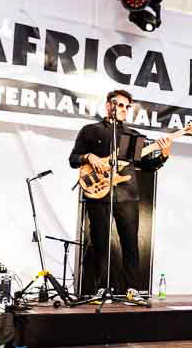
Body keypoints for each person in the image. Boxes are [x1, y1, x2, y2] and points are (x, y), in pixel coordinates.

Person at [69, 89, 172, 304]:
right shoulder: (90, 131)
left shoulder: (133, 136)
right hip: (99, 193)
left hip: (127, 195)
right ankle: (100, 288)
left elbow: (147, 166)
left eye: (127, 107)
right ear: (109, 106)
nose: (125, 110)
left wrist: (163, 155)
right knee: (100, 242)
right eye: (121, 105)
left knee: (130, 243)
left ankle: (132, 289)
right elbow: (73, 159)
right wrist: (88, 156)